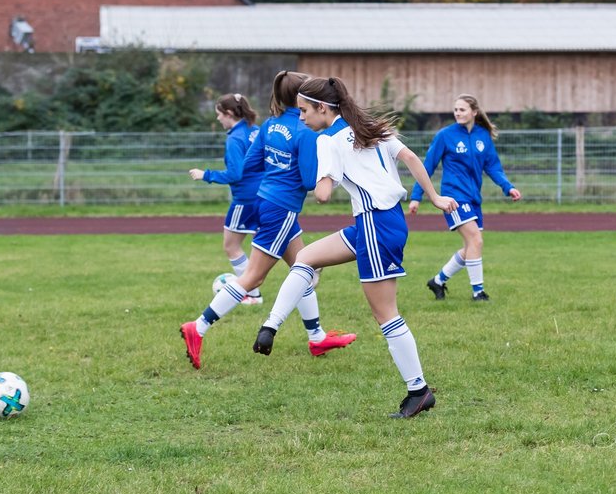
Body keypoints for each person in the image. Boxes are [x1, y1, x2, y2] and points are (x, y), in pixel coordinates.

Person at [251, 75, 458, 419]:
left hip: (376, 225)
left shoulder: (327, 141)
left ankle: (419, 391)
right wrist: (434, 196)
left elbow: (322, 194)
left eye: (304, 111)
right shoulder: (370, 126)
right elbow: (410, 158)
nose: (300, 117)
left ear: (323, 108)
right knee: (305, 257)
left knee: (386, 315)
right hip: (375, 223)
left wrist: (315, 180)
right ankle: (271, 325)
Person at [180, 71, 356, 369]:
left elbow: (251, 164)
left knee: (304, 266)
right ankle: (197, 328)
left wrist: (274, 176)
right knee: (253, 277)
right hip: (282, 208)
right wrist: (330, 176)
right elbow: (307, 180)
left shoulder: (270, 125)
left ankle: (317, 337)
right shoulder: (304, 131)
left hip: (265, 200)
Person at [409, 94, 522, 302]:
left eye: (462, 110)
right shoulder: (445, 135)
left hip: (473, 198)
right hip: (453, 197)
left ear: (474, 112)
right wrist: (416, 196)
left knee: (471, 246)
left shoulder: (483, 136)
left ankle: (437, 281)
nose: (458, 113)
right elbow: (427, 167)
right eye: (456, 110)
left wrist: (508, 187)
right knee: (476, 240)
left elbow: (493, 166)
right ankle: (478, 293)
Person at [188, 92, 265, 304]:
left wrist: (206, 175)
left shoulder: (235, 138)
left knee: (231, 246)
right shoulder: (255, 130)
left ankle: (252, 294)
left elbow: (235, 174)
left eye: (219, 114)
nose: (217, 118)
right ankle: (307, 269)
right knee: (274, 246)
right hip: (267, 195)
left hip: (246, 199)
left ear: (229, 113)